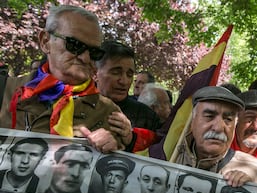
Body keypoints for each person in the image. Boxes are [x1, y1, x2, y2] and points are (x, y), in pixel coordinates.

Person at [9, 5, 124, 153]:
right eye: (74, 45)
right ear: (45, 41)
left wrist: (112, 151)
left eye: (94, 52)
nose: (85, 58)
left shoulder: (109, 112)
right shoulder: (7, 90)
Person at [174, 86, 257, 187]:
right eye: (209, 116)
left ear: (235, 126)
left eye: (228, 119)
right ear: (192, 122)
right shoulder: (168, 156)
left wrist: (250, 191)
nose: (218, 128)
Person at [95, 41, 161, 152]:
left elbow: (158, 154)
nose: (124, 81)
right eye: (116, 72)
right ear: (94, 73)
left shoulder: (148, 117)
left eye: (129, 75)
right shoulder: (72, 107)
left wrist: (132, 139)